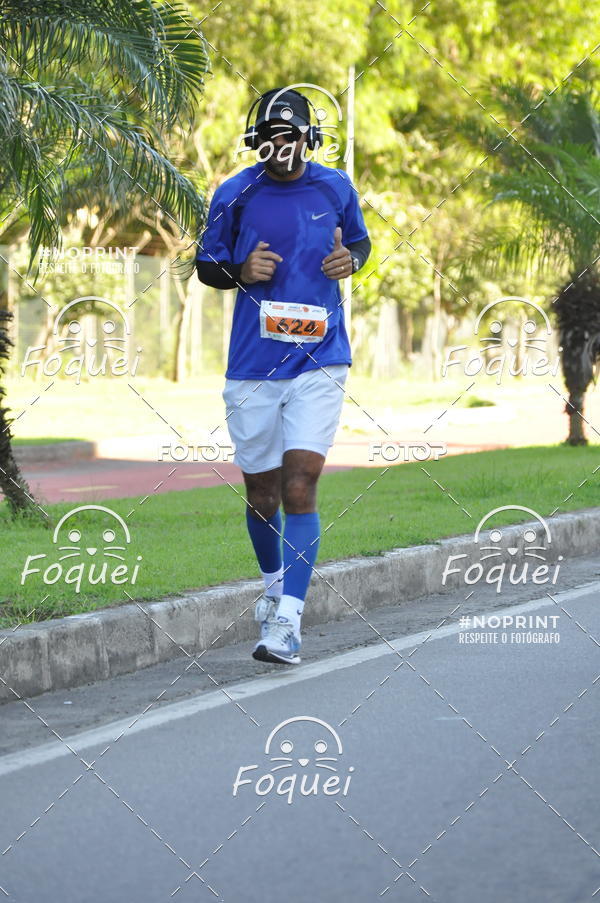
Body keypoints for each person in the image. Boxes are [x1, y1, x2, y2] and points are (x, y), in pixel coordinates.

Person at [196, 87, 371, 665]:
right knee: (262, 495)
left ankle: (289, 623)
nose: (281, 147)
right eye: (270, 138)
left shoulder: (336, 187)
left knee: (300, 487)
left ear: (309, 138)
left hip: (321, 360)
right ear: (256, 142)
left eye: (291, 136)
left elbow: (361, 247)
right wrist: (240, 269)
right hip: (252, 367)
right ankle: (273, 591)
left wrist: (351, 262)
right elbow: (205, 265)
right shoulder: (234, 192)